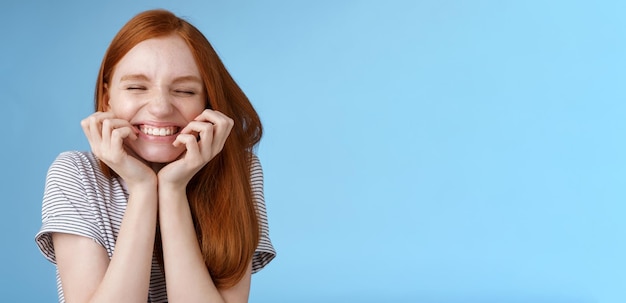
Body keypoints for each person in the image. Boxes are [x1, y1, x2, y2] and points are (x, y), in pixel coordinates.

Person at [35, 9, 275, 303]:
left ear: (207, 102)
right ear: (107, 95)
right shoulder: (75, 175)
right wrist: (143, 188)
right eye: (136, 87)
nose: (160, 107)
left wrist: (172, 189)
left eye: (185, 91)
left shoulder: (240, 170)